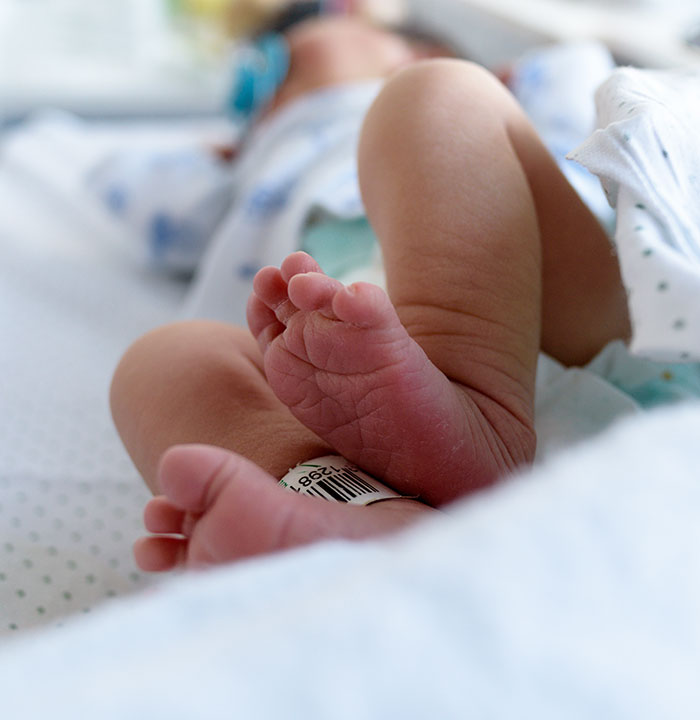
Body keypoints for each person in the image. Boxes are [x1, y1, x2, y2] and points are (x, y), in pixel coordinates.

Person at [109, 17, 631, 572]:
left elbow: (587, 74)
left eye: (307, 30)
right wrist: (231, 149)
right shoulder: (257, 156)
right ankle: (359, 512)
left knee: (438, 97)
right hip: (355, 396)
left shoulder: (475, 91)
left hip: (559, 315)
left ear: (413, 46)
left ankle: (480, 415)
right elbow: (155, 207)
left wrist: (498, 84)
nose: (263, 65)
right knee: (166, 357)